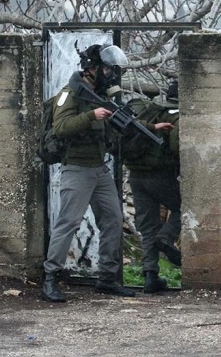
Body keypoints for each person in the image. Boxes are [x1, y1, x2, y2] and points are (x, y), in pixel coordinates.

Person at [41, 44, 173, 303]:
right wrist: (92, 115)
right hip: (76, 169)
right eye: (104, 68)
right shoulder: (71, 94)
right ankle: (50, 277)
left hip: (99, 169)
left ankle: (107, 278)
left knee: (112, 220)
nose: (109, 74)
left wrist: (151, 127)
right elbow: (61, 127)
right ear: (91, 69)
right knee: (68, 223)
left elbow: (121, 124)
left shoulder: (100, 95)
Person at [122, 78, 183, 294]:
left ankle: (150, 277)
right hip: (160, 175)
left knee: (148, 226)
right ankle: (166, 239)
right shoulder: (178, 115)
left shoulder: (152, 110)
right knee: (182, 208)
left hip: (136, 175)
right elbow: (177, 148)